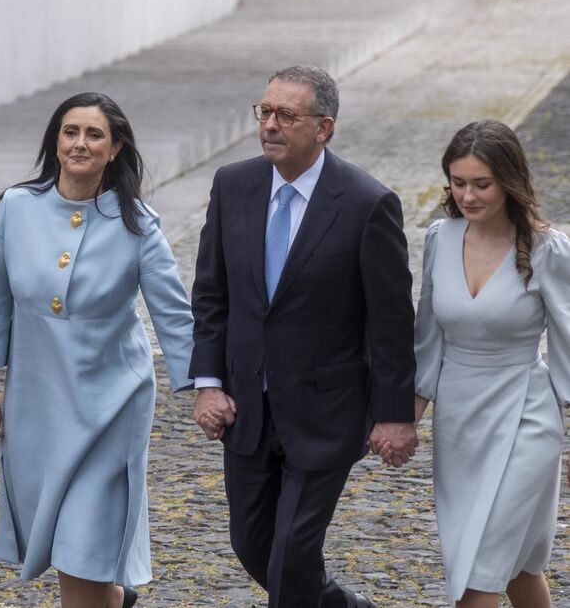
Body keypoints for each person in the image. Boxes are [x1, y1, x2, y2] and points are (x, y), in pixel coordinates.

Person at [188, 64, 418, 608]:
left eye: (286, 115)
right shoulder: (232, 184)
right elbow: (211, 293)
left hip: (326, 411)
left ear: (324, 127)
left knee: (291, 553)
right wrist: (208, 382)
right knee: (252, 546)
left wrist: (393, 412)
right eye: (264, 112)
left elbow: (390, 322)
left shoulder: (367, 203)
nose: (269, 125)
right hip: (245, 407)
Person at [0, 92, 193, 608]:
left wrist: (204, 389)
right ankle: (115, 599)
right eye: (71, 132)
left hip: (111, 404)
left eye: (94, 135)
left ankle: (107, 598)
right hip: (37, 401)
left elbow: (173, 314)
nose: (80, 143)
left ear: (115, 149)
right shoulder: (16, 209)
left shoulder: (137, 223)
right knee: (69, 545)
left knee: (83, 542)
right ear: (55, 139)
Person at [408, 120, 569, 607]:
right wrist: (404, 418)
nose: (468, 196)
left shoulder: (548, 249)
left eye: (482, 184)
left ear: (509, 181)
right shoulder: (440, 237)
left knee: (481, 571)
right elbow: (427, 337)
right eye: (458, 183)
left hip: (526, 416)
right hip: (458, 424)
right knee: (518, 566)